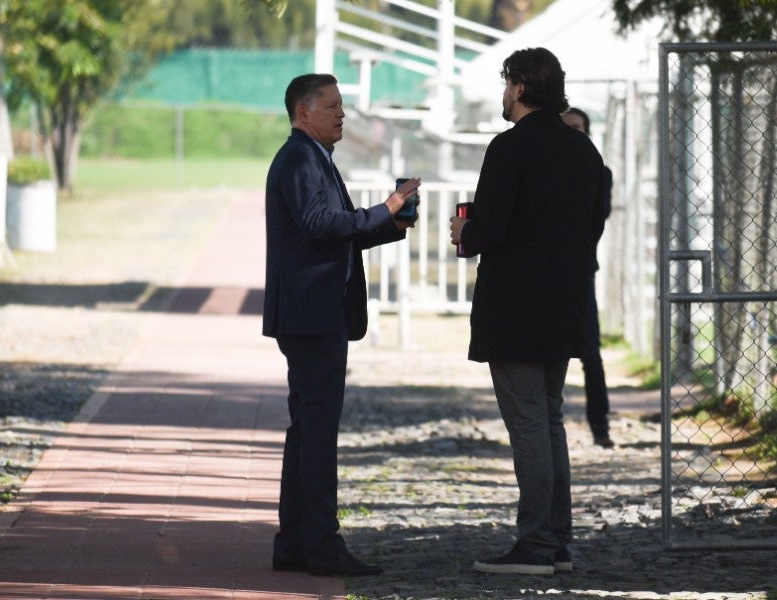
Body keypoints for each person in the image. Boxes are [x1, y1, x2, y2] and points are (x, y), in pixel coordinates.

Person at [449, 48, 606, 575]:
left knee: (529, 425)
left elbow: (490, 229)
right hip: (564, 305)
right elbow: (591, 226)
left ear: (518, 86)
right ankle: (557, 539)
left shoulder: (510, 148)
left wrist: (464, 233)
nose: (504, 94)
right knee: (550, 419)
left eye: (506, 84)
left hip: (516, 308)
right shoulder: (583, 151)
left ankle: (536, 543)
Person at [263, 73, 420, 577]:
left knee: (307, 430)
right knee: (317, 432)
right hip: (311, 315)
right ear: (303, 112)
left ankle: (294, 543)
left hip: (315, 311)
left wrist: (387, 225)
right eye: (331, 106)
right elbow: (318, 225)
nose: (342, 113)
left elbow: (335, 231)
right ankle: (322, 546)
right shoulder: (299, 158)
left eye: (341, 105)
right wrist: (385, 207)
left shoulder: (315, 159)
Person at [561, 107, 614, 449]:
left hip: (579, 273)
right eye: (567, 129)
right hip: (551, 274)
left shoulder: (599, 174)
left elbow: (596, 220)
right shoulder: (547, 172)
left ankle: (600, 425)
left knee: (590, 353)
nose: (573, 134)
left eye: (578, 128)